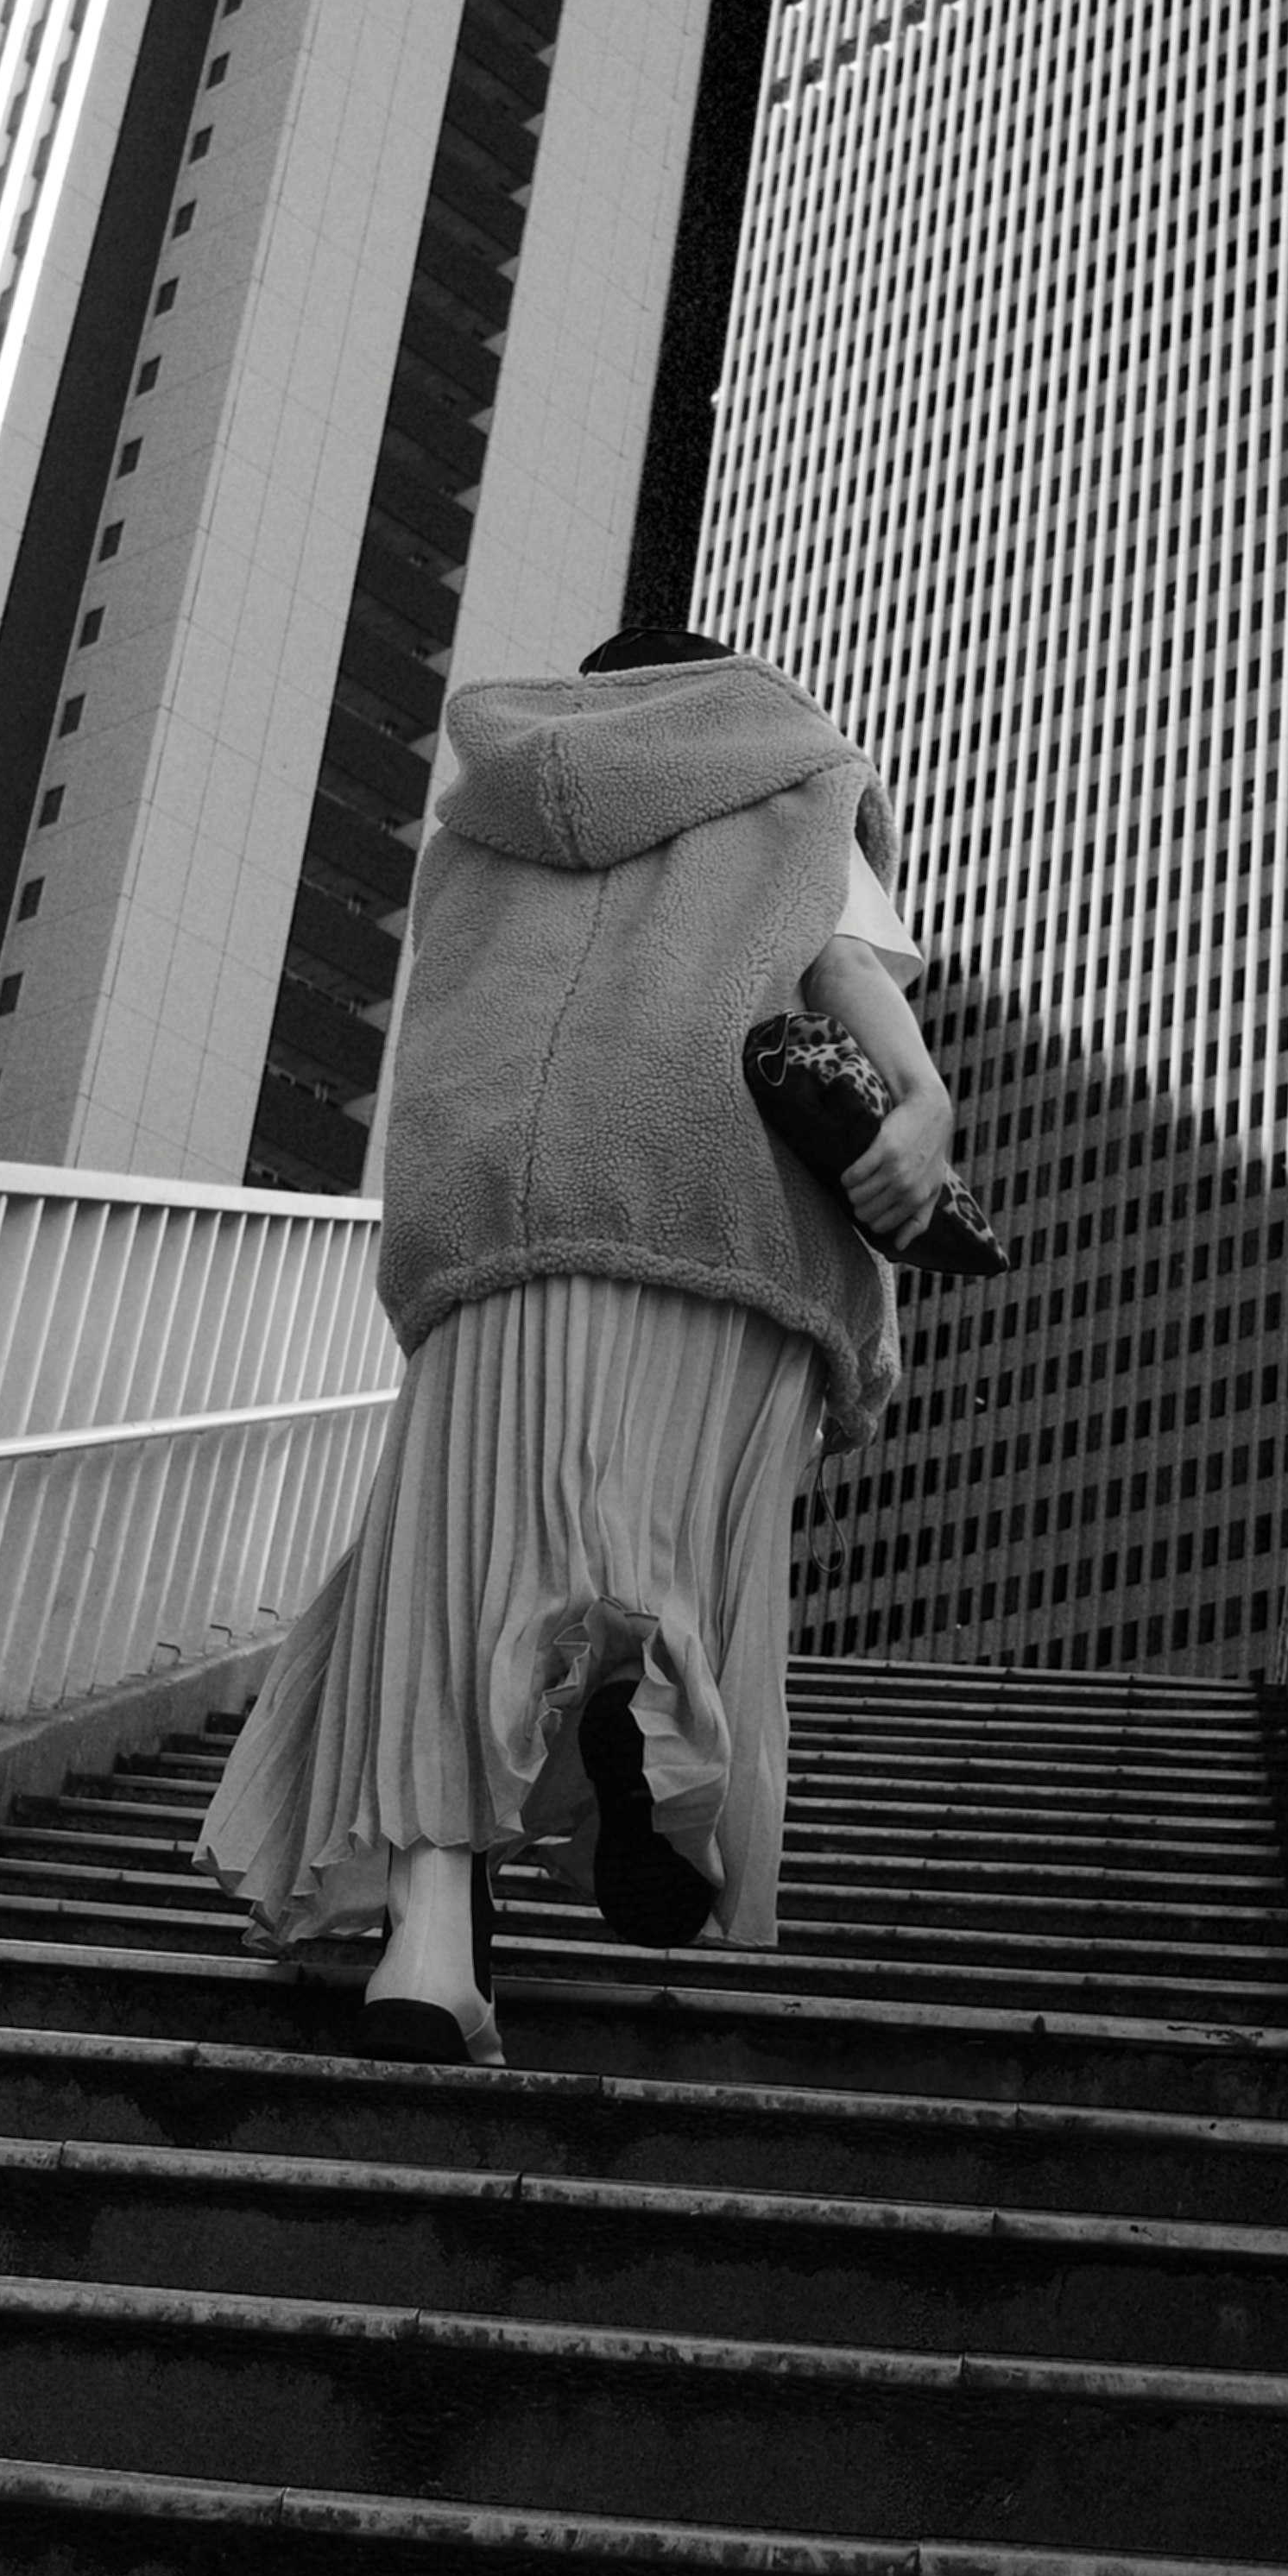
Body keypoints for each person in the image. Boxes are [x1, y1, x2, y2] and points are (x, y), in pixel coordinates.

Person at [197, 626, 954, 2061]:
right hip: (715, 1195)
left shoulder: (483, 823)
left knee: (454, 1574)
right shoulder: (783, 765)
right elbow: (841, 961)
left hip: (499, 1199)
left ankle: (427, 1954)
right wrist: (921, 1109)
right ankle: (644, 1720)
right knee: (666, 1531)